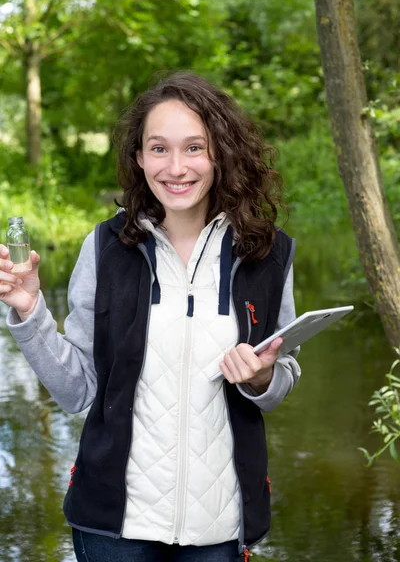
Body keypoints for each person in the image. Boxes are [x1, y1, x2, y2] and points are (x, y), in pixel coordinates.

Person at [0, 72, 300, 562]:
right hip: (114, 529)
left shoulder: (268, 254)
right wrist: (30, 311)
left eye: (194, 148)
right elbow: (78, 392)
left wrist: (264, 376)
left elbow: (282, 381)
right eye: (159, 148)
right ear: (138, 158)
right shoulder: (104, 248)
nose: (176, 167)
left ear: (220, 152)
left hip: (221, 529)